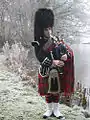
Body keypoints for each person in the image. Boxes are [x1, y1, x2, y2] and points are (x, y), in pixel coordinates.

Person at [32, 8, 75, 120]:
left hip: (57, 71)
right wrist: (52, 62)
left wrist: (65, 56)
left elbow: (66, 51)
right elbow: (39, 56)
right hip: (45, 70)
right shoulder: (37, 42)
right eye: (46, 29)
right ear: (42, 29)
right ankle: (48, 110)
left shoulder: (56, 39)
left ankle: (56, 110)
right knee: (47, 91)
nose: (49, 31)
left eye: (50, 28)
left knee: (56, 91)